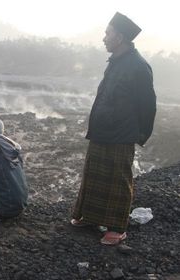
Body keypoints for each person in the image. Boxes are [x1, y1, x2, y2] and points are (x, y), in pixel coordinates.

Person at [71, 12, 157, 245]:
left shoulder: (138, 66)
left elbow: (148, 105)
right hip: (102, 131)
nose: (104, 38)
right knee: (94, 175)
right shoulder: (115, 62)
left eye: (108, 33)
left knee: (118, 180)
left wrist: (139, 135)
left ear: (119, 37)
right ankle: (89, 217)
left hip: (121, 135)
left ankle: (117, 228)